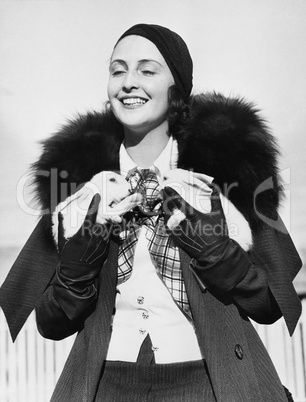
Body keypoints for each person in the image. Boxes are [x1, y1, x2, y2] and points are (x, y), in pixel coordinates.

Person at [0, 23, 302, 402]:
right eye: (117, 70)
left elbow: (269, 307)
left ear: (177, 87)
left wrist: (217, 252)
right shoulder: (80, 189)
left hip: (212, 384)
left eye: (147, 70)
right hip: (103, 386)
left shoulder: (225, 178)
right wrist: (80, 261)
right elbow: (52, 324)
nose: (128, 82)